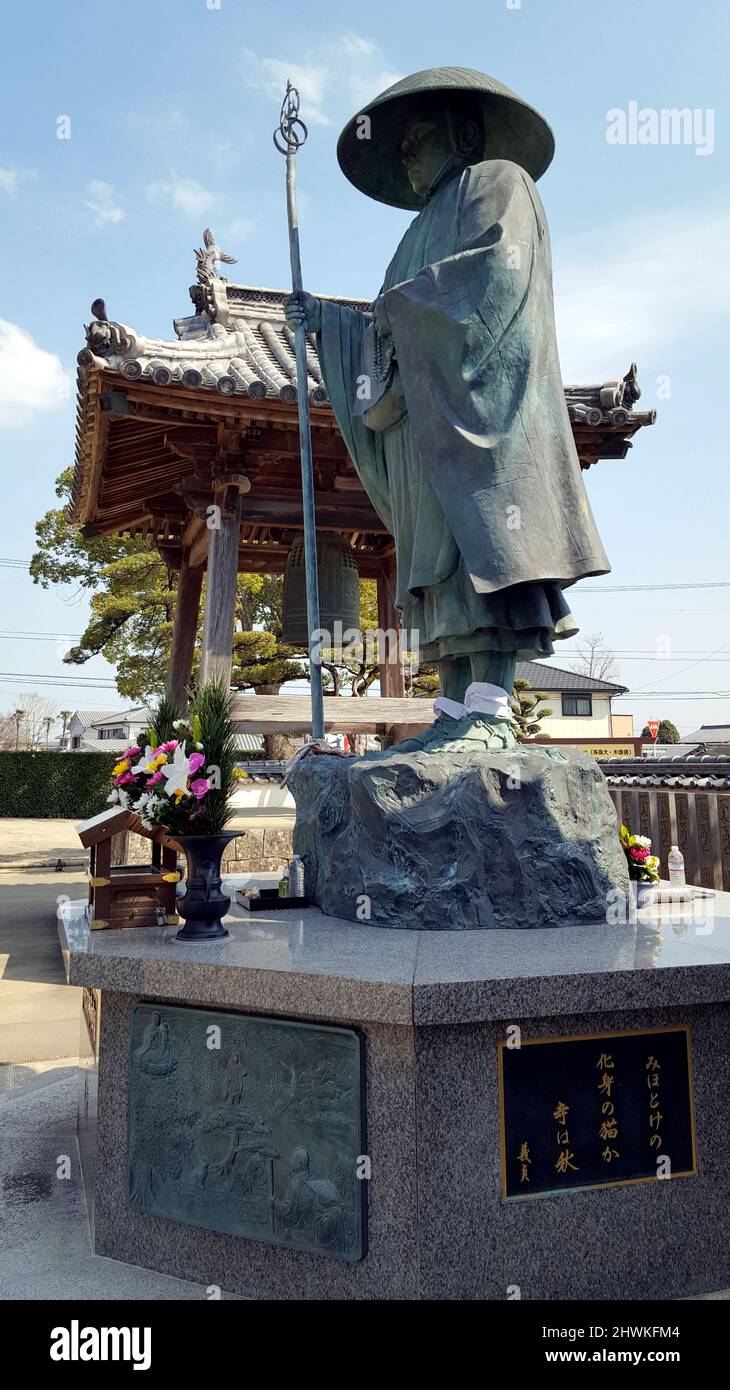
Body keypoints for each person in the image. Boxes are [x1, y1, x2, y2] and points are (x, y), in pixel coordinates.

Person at [286, 68, 610, 751]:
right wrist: (329, 323)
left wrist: (399, 313)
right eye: (399, 146)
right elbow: (380, 323)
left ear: (464, 134)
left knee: (483, 545)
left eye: (419, 138)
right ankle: (455, 705)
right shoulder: (411, 235)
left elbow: (495, 274)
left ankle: (491, 704)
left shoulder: (497, 183)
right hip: (421, 421)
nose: (406, 154)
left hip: (478, 409)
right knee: (435, 565)